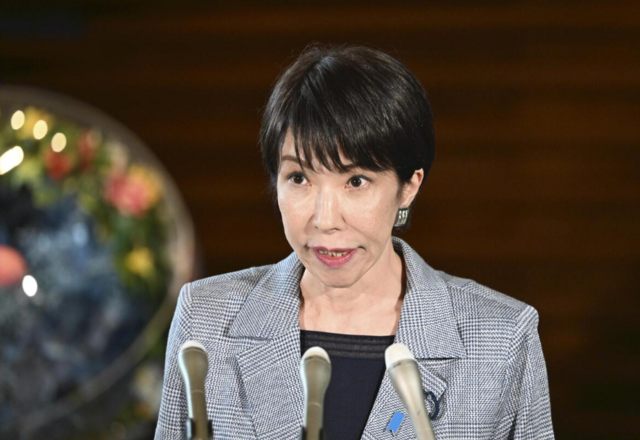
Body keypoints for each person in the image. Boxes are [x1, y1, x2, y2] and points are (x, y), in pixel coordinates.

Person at [154, 44, 554, 440]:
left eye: (356, 181)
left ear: (408, 187)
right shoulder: (205, 320)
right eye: (299, 178)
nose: (326, 220)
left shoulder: (500, 339)